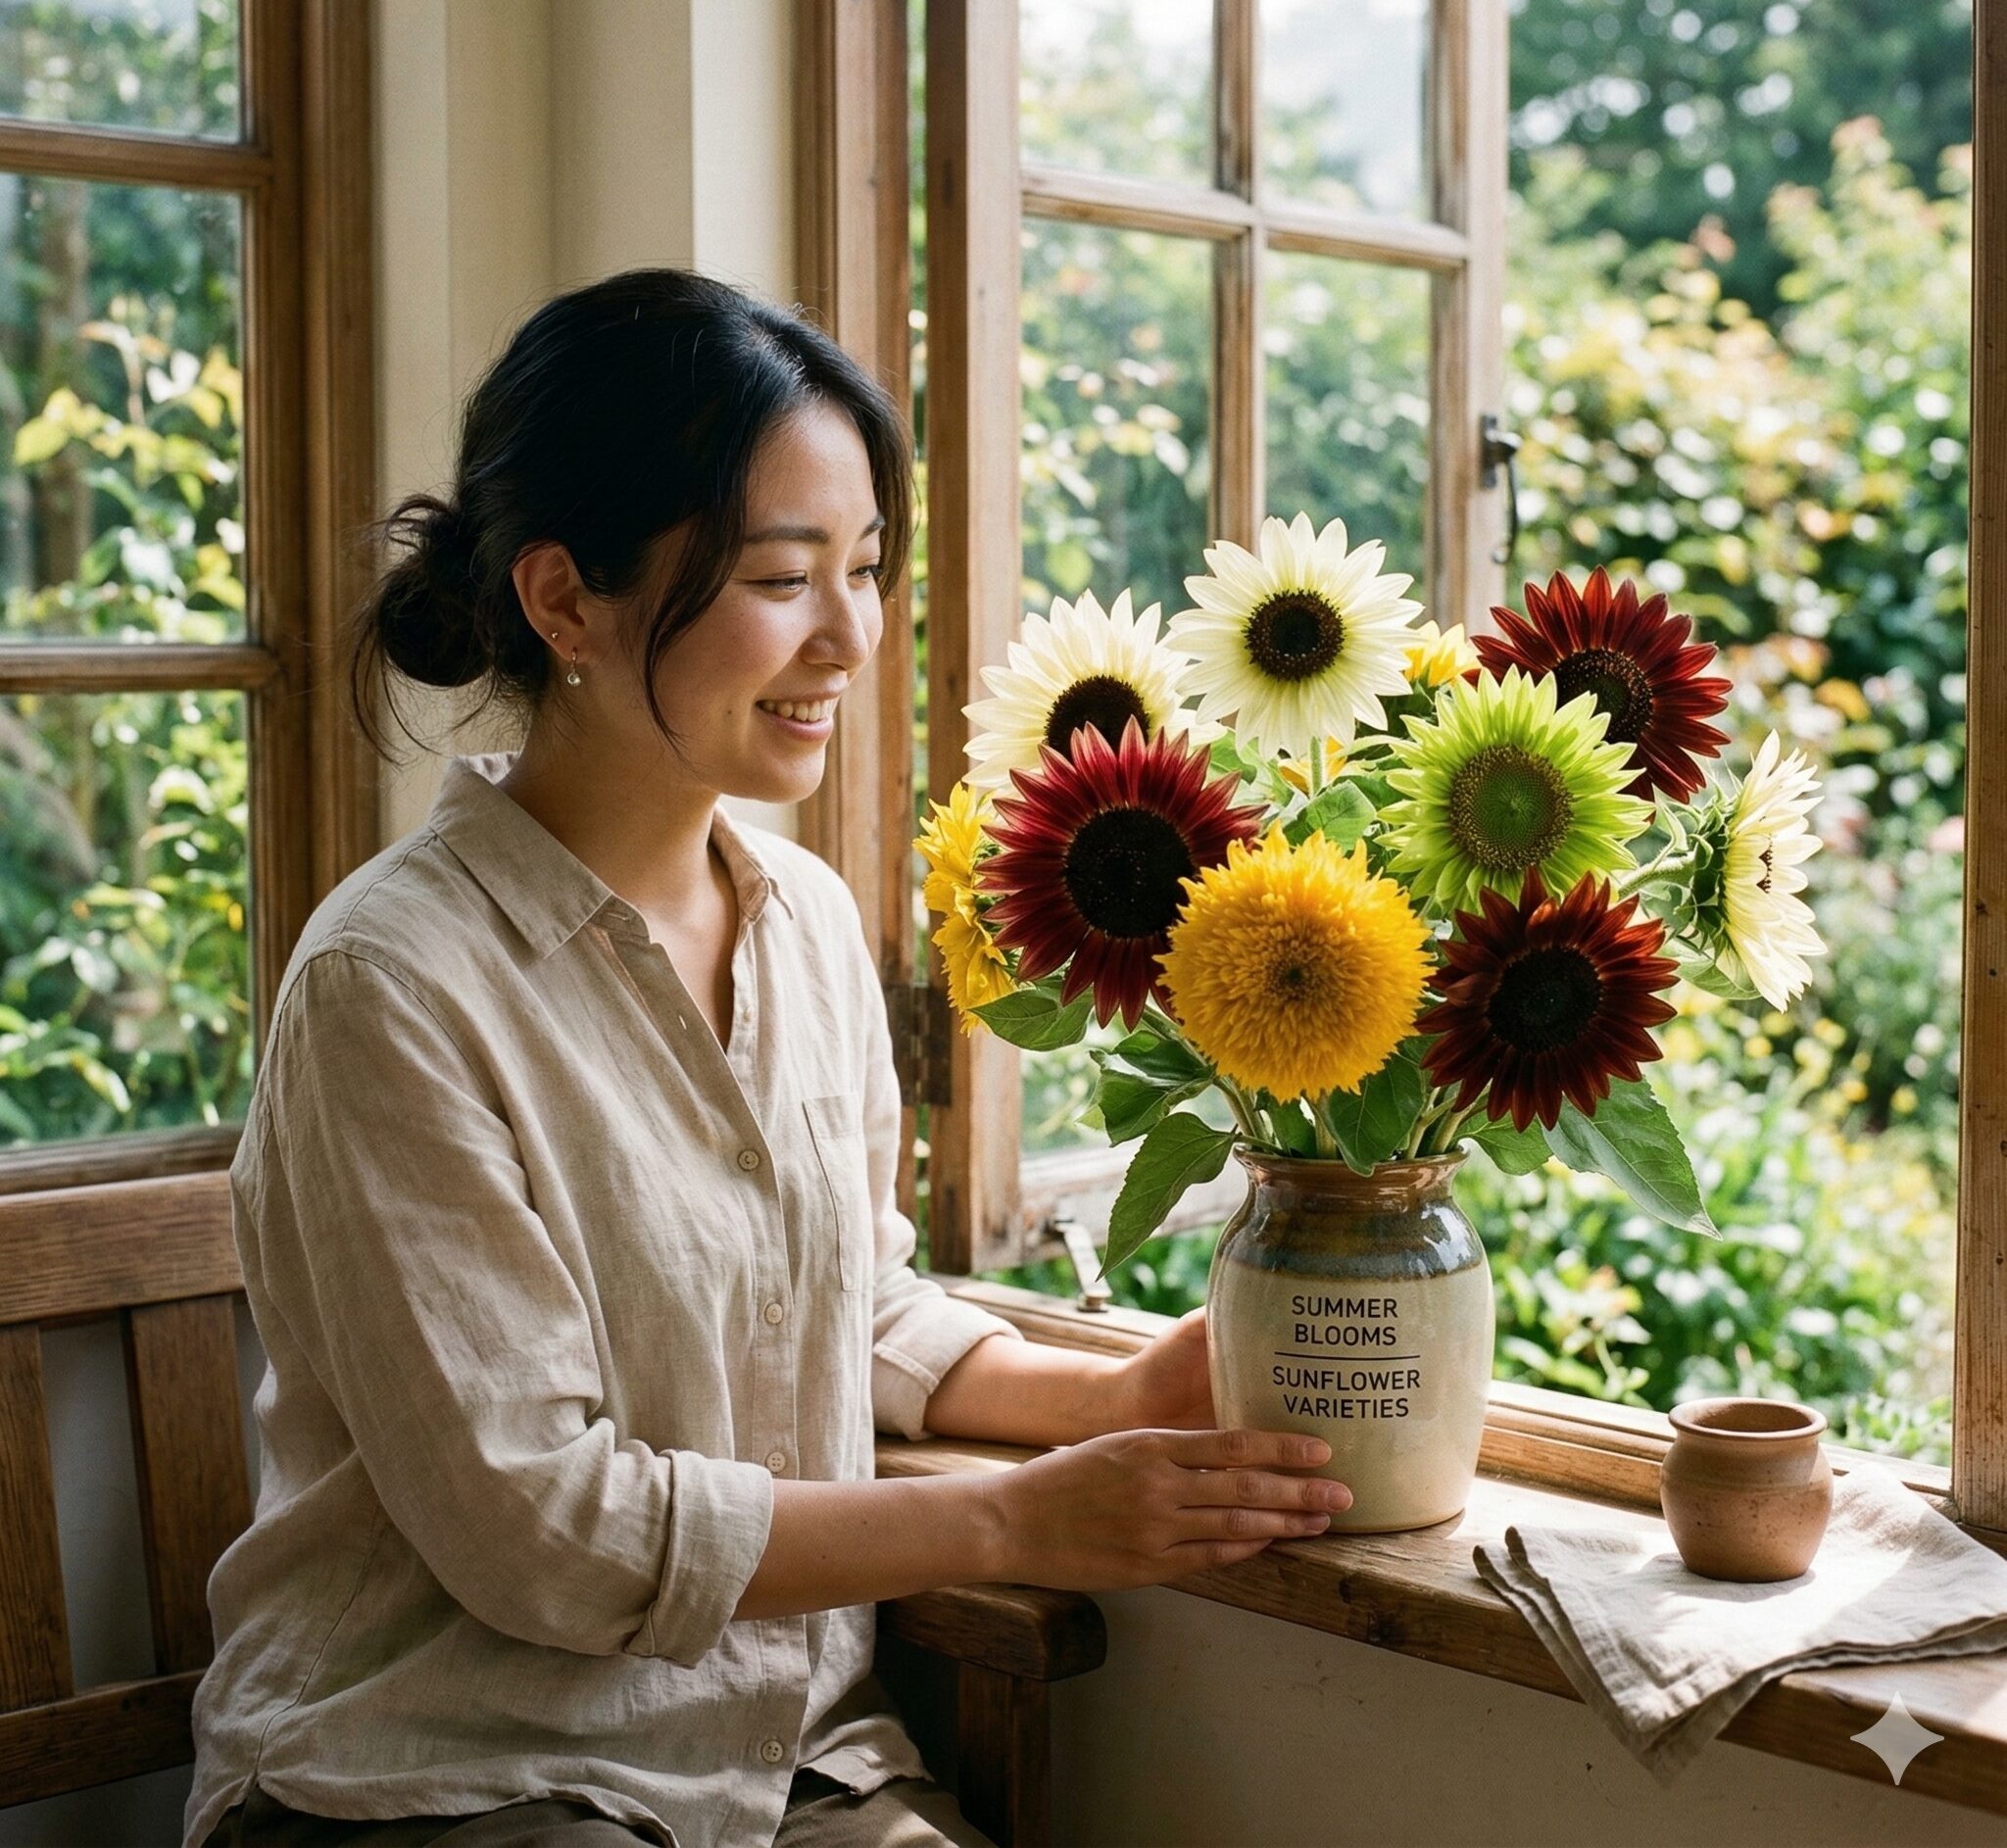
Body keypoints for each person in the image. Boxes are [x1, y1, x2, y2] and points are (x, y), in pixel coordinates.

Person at [184, 270, 1348, 1848]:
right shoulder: (389, 988)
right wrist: (1011, 1518)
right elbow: (546, 1530)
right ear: (562, 601)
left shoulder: (799, 919)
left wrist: (1114, 1392)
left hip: (788, 1767)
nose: (851, 637)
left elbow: (848, 1304)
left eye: (865, 570)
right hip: (443, 1781)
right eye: (785, 577)